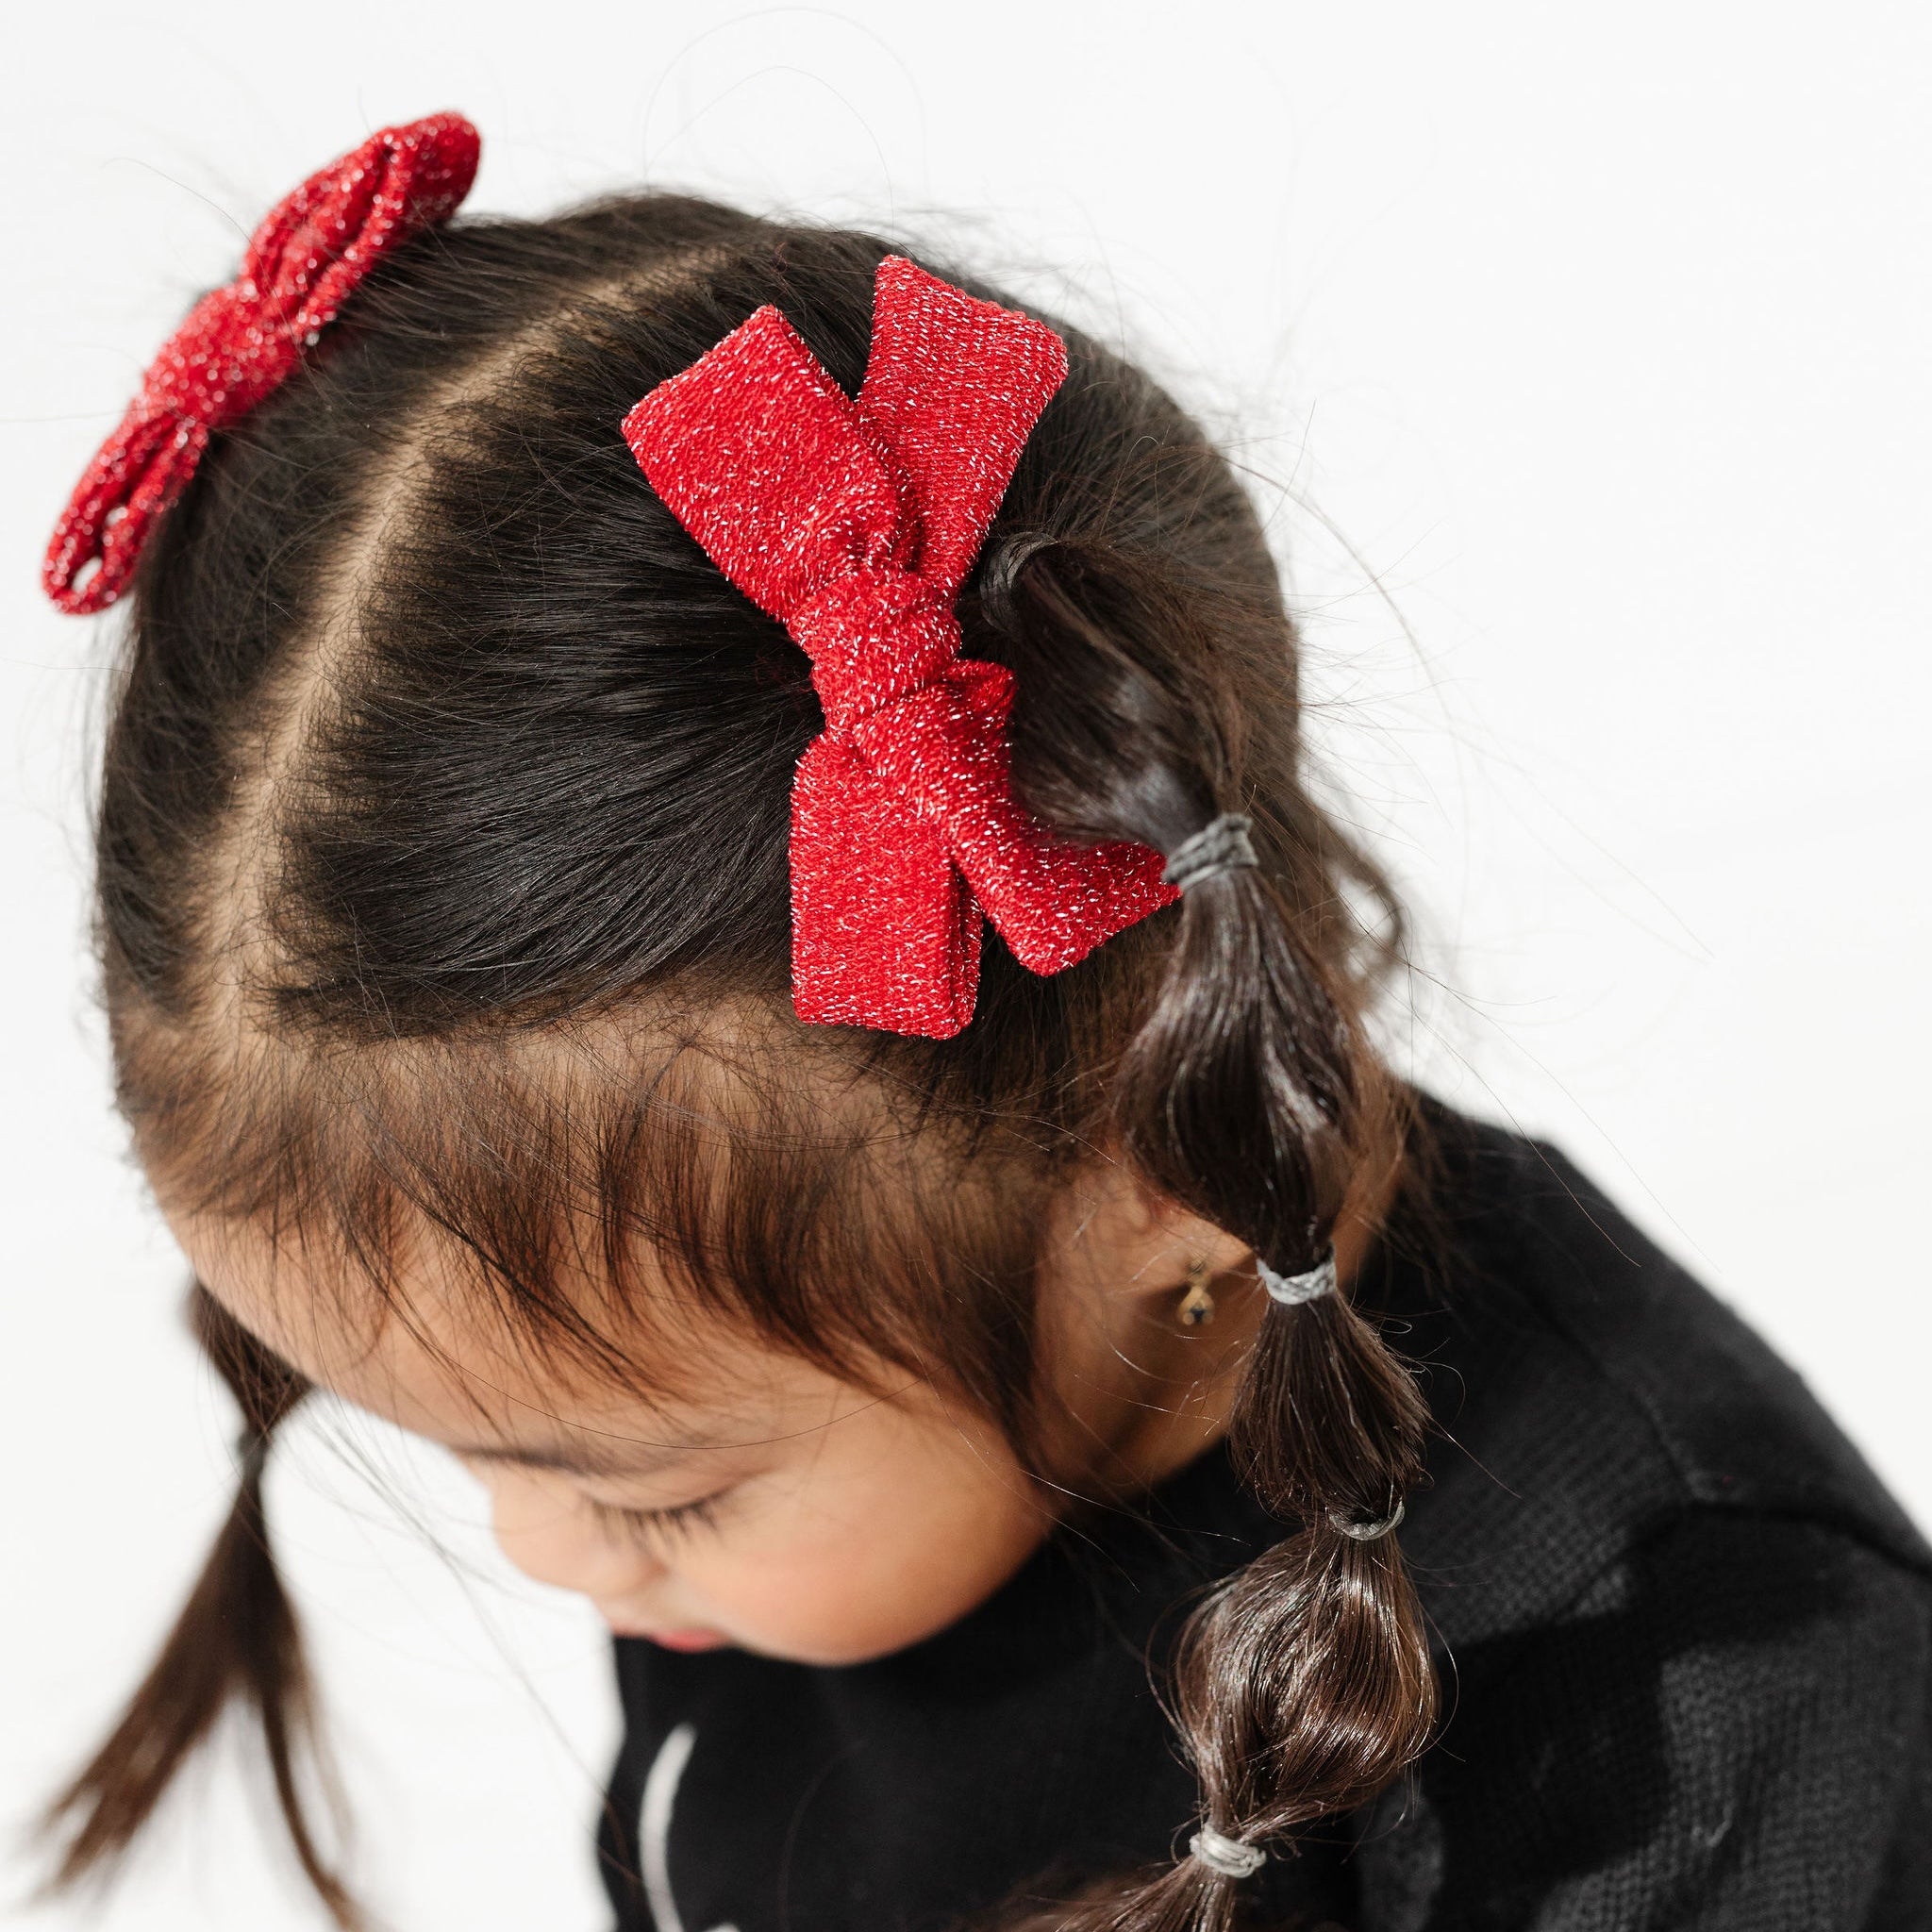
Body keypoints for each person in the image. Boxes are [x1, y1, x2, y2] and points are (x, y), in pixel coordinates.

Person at [35, 114, 1932, 1932]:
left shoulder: (1702, 1689)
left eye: (655, 1489)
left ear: (1154, 1177)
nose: (543, 1559)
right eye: (466, 1450)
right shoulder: (770, 1451)